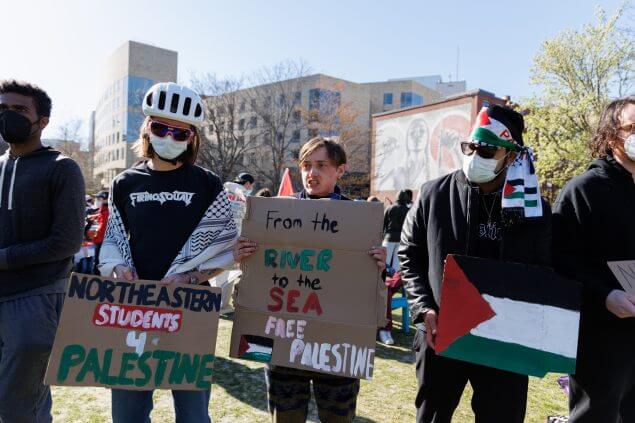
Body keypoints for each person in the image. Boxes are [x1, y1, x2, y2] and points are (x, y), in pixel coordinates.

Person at [400, 105, 551, 423]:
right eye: (469, 147)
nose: (474, 156)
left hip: (505, 341)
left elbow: (546, 271)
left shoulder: (534, 208)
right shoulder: (433, 194)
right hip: (441, 333)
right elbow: (410, 255)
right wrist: (423, 308)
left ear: (511, 155)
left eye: (486, 150)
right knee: (432, 415)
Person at [98, 82, 238, 423]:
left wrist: (190, 277)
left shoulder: (208, 183)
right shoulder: (124, 182)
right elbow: (113, 240)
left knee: (193, 415)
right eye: (161, 129)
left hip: (191, 306)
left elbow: (225, 248)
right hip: (136, 307)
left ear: (192, 138)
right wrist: (118, 269)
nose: (170, 138)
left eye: (181, 133)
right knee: (128, 414)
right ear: (147, 128)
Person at [234, 137, 387, 423]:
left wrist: (378, 264)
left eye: (321, 165)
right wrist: (243, 255)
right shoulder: (275, 214)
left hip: (337, 351)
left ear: (340, 170)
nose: (311, 173)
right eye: (306, 165)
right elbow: (255, 278)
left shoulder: (360, 220)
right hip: (283, 347)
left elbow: (369, 288)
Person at [0, 80, 86, 423]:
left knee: (18, 407)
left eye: (19, 110)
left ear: (43, 120)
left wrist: (4, 259)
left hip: (36, 297)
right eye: (2, 109)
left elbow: (66, 242)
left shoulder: (62, 167)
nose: (8, 116)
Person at [553, 96, 635, 422]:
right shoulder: (583, 190)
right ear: (611, 135)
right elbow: (560, 262)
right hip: (599, 339)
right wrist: (604, 295)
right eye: (633, 127)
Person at [378, 189, 410, 345]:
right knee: (395, 268)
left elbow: (383, 223)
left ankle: (387, 283)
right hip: (401, 239)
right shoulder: (407, 210)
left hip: (389, 237)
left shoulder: (390, 208)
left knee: (385, 267)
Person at [87, 190, 109, 273]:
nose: (96, 201)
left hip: (101, 242)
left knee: (97, 264)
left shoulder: (106, 212)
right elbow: (100, 216)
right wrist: (92, 217)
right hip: (101, 242)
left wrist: (93, 238)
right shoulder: (103, 211)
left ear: (106, 200)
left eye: (99, 199)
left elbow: (102, 230)